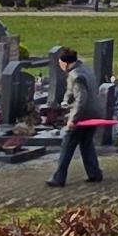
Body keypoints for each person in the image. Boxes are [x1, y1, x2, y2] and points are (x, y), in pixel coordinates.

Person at [46, 45, 109, 188]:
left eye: (60, 63)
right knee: (86, 144)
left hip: (83, 116)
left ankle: (58, 177)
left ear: (65, 63)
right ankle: (94, 173)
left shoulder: (75, 76)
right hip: (94, 113)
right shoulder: (86, 69)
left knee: (67, 145)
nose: (60, 66)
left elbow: (81, 99)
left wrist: (73, 120)